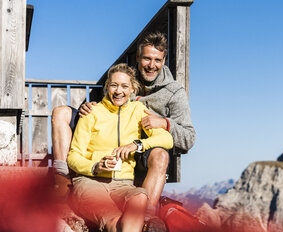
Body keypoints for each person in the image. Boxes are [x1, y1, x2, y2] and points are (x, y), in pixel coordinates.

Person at [52, 32, 195, 218]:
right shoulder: (121, 78)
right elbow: (101, 105)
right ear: (137, 58)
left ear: (164, 60)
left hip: (143, 150)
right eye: (147, 58)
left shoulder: (174, 92)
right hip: (111, 147)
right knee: (61, 112)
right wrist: (85, 107)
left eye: (157, 60)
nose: (152, 65)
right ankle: (62, 180)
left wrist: (165, 123)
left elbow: (189, 138)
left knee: (161, 155)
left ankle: (146, 216)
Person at [67, 63, 173, 231]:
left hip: (124, 185)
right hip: (90, 182)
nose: (118, 91)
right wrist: (95, 166)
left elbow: (166, 139)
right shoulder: (92, 112)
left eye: (124, 86)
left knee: (139, 196)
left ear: (132, 89)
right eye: (114, 85)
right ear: (107, 87)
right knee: (114, 221)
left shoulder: (138, 110)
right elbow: (74, 156)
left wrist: (137, 144)